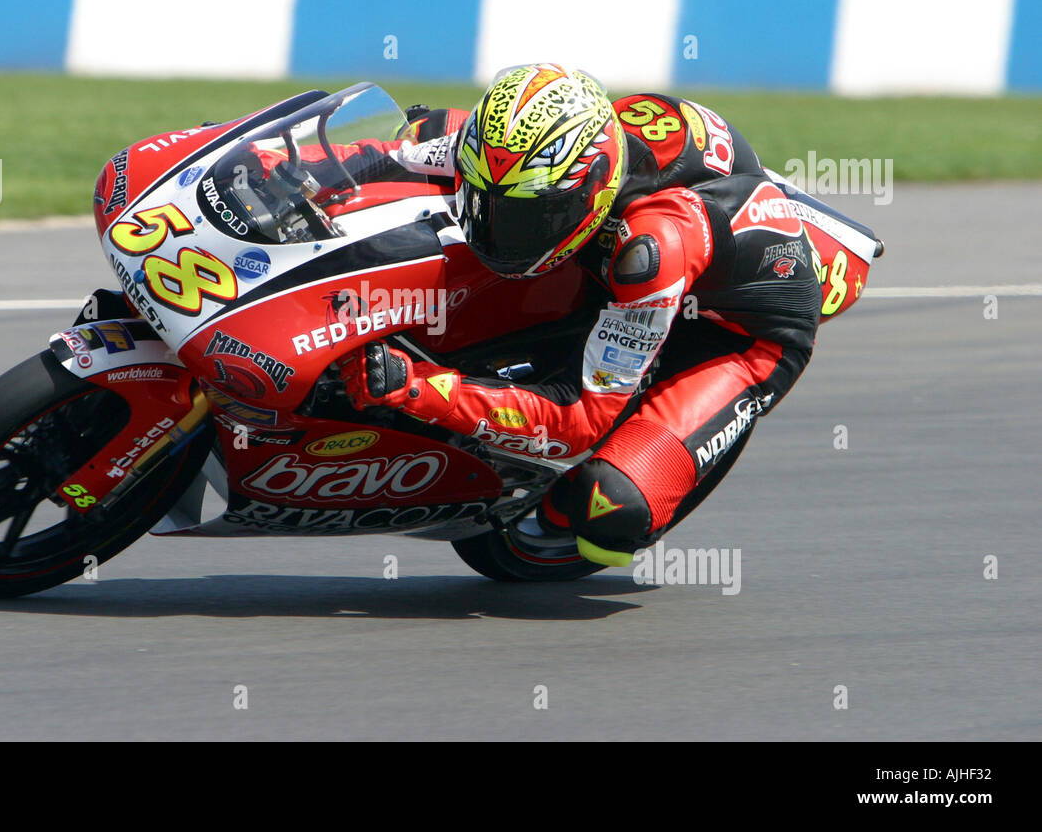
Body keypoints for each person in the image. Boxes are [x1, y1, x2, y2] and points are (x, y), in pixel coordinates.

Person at [339, 64, 822, 566]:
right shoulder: (527, 152)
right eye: (490, 206)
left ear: (588, 192)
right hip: (655, 248)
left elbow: (578, 421)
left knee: (610, 507)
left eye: (530, 218)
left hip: (735, 337)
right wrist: (275, 165)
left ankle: (559, 516)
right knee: (428, 129)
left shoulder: (651, 250)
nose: (498, 233)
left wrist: (419, 387)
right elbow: (386, 157)